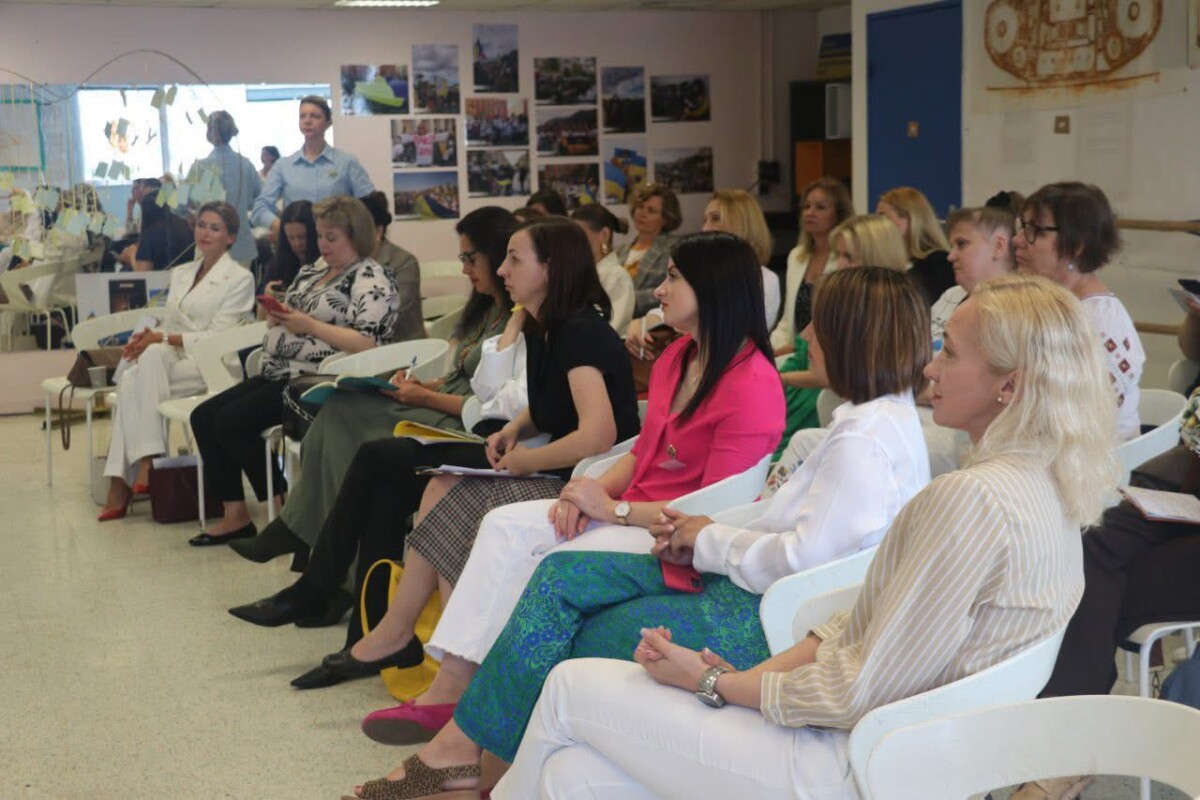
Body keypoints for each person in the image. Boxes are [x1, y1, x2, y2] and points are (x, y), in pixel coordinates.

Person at [485, 274, 1119, 800]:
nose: (930, 366)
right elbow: (872, 626)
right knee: (571, 776)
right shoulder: (1048, 488)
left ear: (1009, 384)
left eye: (950, 352)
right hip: (910, 757)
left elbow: (856, 689)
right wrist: (745, 675)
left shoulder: (972, 499)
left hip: (857, 766)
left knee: (568, 688)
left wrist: (714, 683)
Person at [343, 268, 929, 800]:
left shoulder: (861, 440)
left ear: (850, 335)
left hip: (765, 614)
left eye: (819, 323)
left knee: (580, 628)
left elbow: (799, 559)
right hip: (743, 571)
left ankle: (468, 764)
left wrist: (705, 536)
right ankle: (468, 757)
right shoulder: (870, 421)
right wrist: (697, 531)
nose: (807, 335)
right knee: (559, 576)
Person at [258, 218, 641, 690]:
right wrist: (517, 430)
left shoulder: (580, 331)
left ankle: (425, 651)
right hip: (553, 463)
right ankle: (399, 635)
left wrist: (525, 459)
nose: (501, 270)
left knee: (434, 486)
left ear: (552, 267)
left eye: (514, 260)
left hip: (583, 480)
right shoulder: (549, 327)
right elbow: (547, 404)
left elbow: (598, 434)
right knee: (433, 482)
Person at [225, 206, 518, 571]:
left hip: (461, 424)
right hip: (437, 400)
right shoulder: (486, 309)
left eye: (470, 259)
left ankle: (304, 536)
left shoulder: (516, 321)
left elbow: (488, 404)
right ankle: (303, 536)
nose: (464, 269)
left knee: (344, 422)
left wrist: (425, 395)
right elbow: (461, 374)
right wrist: (423, 385)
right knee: (339, 406)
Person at [188, 196, 397, 546]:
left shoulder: (370, 277)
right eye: (320, 235)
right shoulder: (316, 269)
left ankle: (284, 512)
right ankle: (235, 515)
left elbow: (368, 342)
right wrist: (277, 314)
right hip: (278, 370)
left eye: (331, 237)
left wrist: (308, 326)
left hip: (318, 380)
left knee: (231, 421)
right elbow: (294, 310)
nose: (322, 244)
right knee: (203, 416)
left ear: (355, 235)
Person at [98, 202, 255, 520]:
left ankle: (123, 479)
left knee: (134, 378)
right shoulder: (182, 273)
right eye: (201, 225)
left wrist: (163, 339)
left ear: (230, 237)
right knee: (145, 363)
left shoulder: (240, 278)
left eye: (215, 228)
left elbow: (219, 336)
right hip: (170, 359)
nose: (205, 233)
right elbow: (169, 322)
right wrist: (148, 338)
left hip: (212, 365)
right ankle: (146, 459)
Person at [1014, 181, 1145, 441]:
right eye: (1023, 226)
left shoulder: (1099, 321)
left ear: (1076, 246)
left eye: (1035, 230)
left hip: (1094, 459)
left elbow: (1078, 423)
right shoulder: (1059, 304)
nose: (1017, 240)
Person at [773, 213, 909, 455]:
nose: (840, 265)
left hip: (827, 408)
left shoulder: (890, 314)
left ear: (876, 256)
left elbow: (837, 374)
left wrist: (780, 378)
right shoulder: (842, 298)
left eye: (849, 257)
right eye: (838, 256)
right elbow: (803, 346)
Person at [626, 189, 780, 363]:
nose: (705, 228)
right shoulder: (700, 272)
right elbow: (675, 306)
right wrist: (644, 322)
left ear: (743, 223)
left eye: (715, 218)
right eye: (705, 220)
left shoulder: (765, 279)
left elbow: (736, 333)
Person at [251, 96, 374, 240]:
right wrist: (279, 226)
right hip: (297, 245)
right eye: (302, 116)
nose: (307, 121)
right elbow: (260, 207)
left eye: (315, 116)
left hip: (338, 242)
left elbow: (369, 204)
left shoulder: (346, 163)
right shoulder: (283, 166)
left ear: (328, 123)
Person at [771, 177, 853, 355]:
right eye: (806, 206)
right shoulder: (796, 256)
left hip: (829, 353)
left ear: (839, 214)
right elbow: (787, 320)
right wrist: (771, 349)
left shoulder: (846, 260)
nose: (810, 213)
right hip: (794, 353)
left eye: (820, 207)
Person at [929, 205, 1016, 351]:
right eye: (952, 246)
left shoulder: (1020, 313)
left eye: (961, 244)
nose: (951, 256)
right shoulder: (951, 295)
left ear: (998, 246)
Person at [197, 110, 261, 267]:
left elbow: (180, 204)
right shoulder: (246, 165)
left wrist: (193, 217)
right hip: (242, 244)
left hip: (209, 244)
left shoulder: (201, 167)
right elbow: (259, 198)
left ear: (210, 132)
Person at [359, 190, 423, 342]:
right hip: (362, 344)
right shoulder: (349, 260)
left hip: (402, 346)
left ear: (378, 231)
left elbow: (391, 313)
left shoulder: (405, 262)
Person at [878, 185, 954, 304]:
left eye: (884, 217)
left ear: (908, 218)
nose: (878, 225)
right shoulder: (891, 262)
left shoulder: (938, 262)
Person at [615, 183, 682, 317]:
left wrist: (627, 300)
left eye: (651, 211)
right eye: (640, 207)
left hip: (650, 322)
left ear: (665, 219)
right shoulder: (620, 251)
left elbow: (675, 289)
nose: (642, 213)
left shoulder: (675, 247)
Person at [569, 204, 635, 333]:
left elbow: (609, 330)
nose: (572, 242)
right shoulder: (577, 274)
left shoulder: (617, 276)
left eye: (579, 235)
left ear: (604, 235)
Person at [260, 200, 319, 295]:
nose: (297, 244)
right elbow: (260, 294)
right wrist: (267, 291)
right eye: (291, 238)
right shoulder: (279, 261)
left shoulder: (327, 262)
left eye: (302, 237)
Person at [132, 189, 193, 271]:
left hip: (162, 278)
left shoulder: (149, 237)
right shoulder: (184, 226)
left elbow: (144, 274)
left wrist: (130, 256)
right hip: (186, 276)